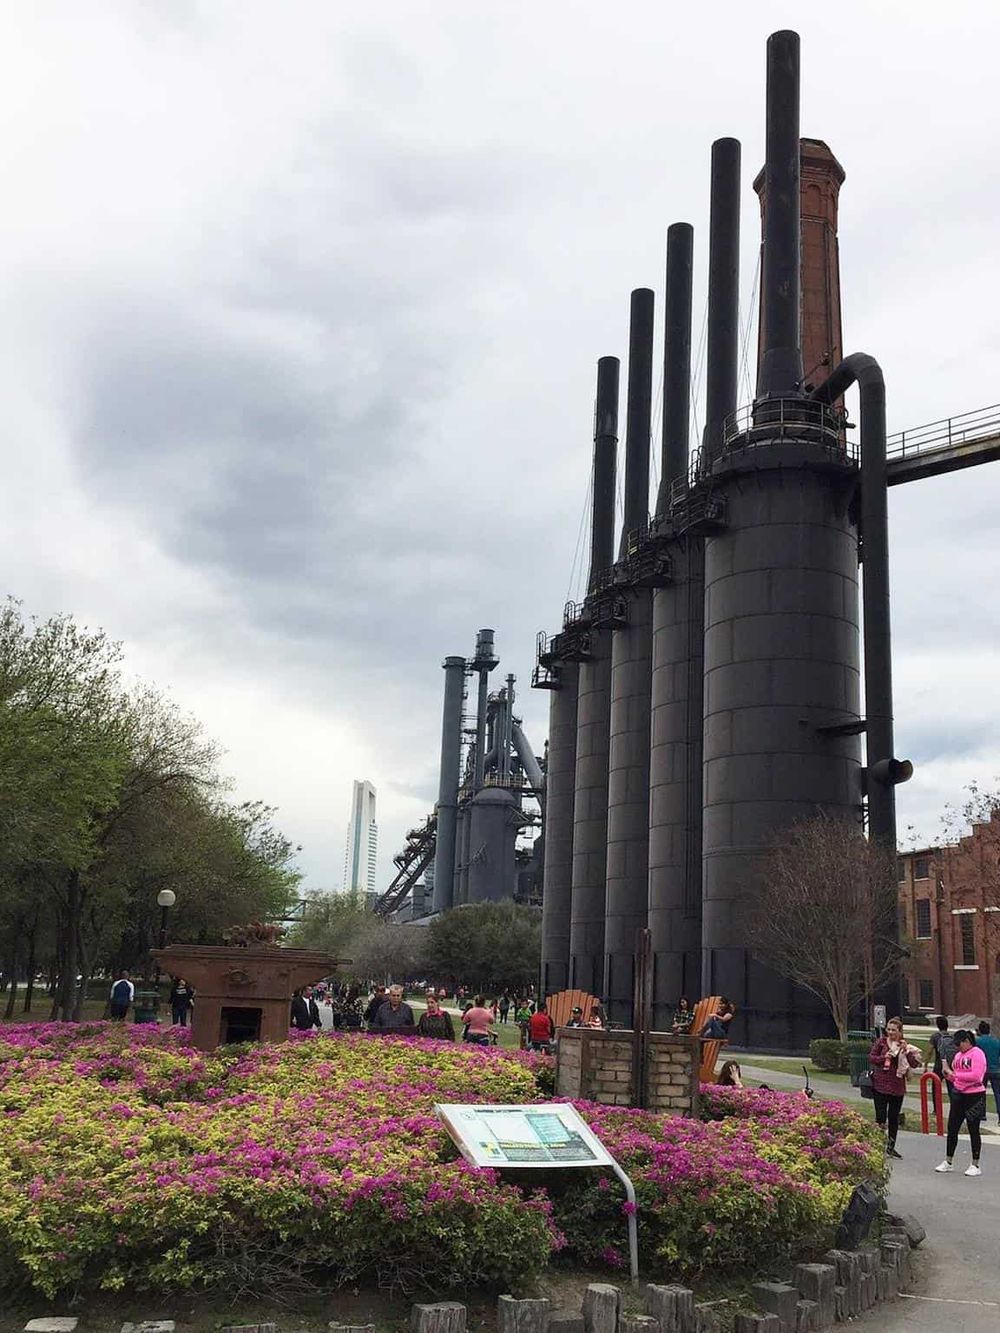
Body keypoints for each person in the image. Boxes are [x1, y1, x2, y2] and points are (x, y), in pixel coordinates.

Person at [869, 1016, 922, 1159]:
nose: (891, 1032)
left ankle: (891, 1147)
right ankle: (878, 1145)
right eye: (889, 1029)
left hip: (897, 1086)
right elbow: (872, 1058)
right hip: (880, 1085)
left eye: (894, 1030)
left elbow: (914, 1064)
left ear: (900, 1031)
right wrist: (884, 1057)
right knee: (880, 1117)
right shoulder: (881, 1043)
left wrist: (907, 1052)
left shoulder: (904, 1045)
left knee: (893, 1118)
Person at [936, 1029, 987, 1176]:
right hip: (959, 1093)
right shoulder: (958, 1056)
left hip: (974, 1095)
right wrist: (949, 1075)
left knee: (973, 1128)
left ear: (967, 1041)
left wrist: (956, 1074)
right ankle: (948, 1160)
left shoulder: (977, 1053)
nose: (958, 1047)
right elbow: (956, 1076)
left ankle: (975, 1164)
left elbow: (976, 1075)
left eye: (959, 1044)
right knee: (952, 1127)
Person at [926, 1015, 958, 1100]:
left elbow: (929, 1051)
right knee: (951, 1088)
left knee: (935, 1088)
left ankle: (936, 1106)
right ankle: (954, 1105)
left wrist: (926, 1064)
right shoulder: (951, 1037)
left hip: (939, 1065)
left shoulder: (935, 1036)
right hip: (950, 1065)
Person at [975, 1020, 1000, 1123]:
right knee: (998, 1093)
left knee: (981, 1092)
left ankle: (982, 1114)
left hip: (982, 1071)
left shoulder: (977, 1042)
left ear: (980, 1030)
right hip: (996, 1070)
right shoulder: (996, 1042)